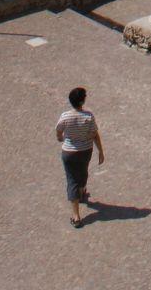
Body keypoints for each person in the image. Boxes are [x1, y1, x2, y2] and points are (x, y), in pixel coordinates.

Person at [56, 87, 104, 227]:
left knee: (72, 180)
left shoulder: (65, 116)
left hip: (69, 153)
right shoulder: (88, 116)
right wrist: (100, 151)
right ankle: (81, 191)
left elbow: (58, 130)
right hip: (85, 151)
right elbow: (95, 134)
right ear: (82, 101)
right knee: (83, 172)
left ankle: (76, 216)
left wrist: (61, 138)